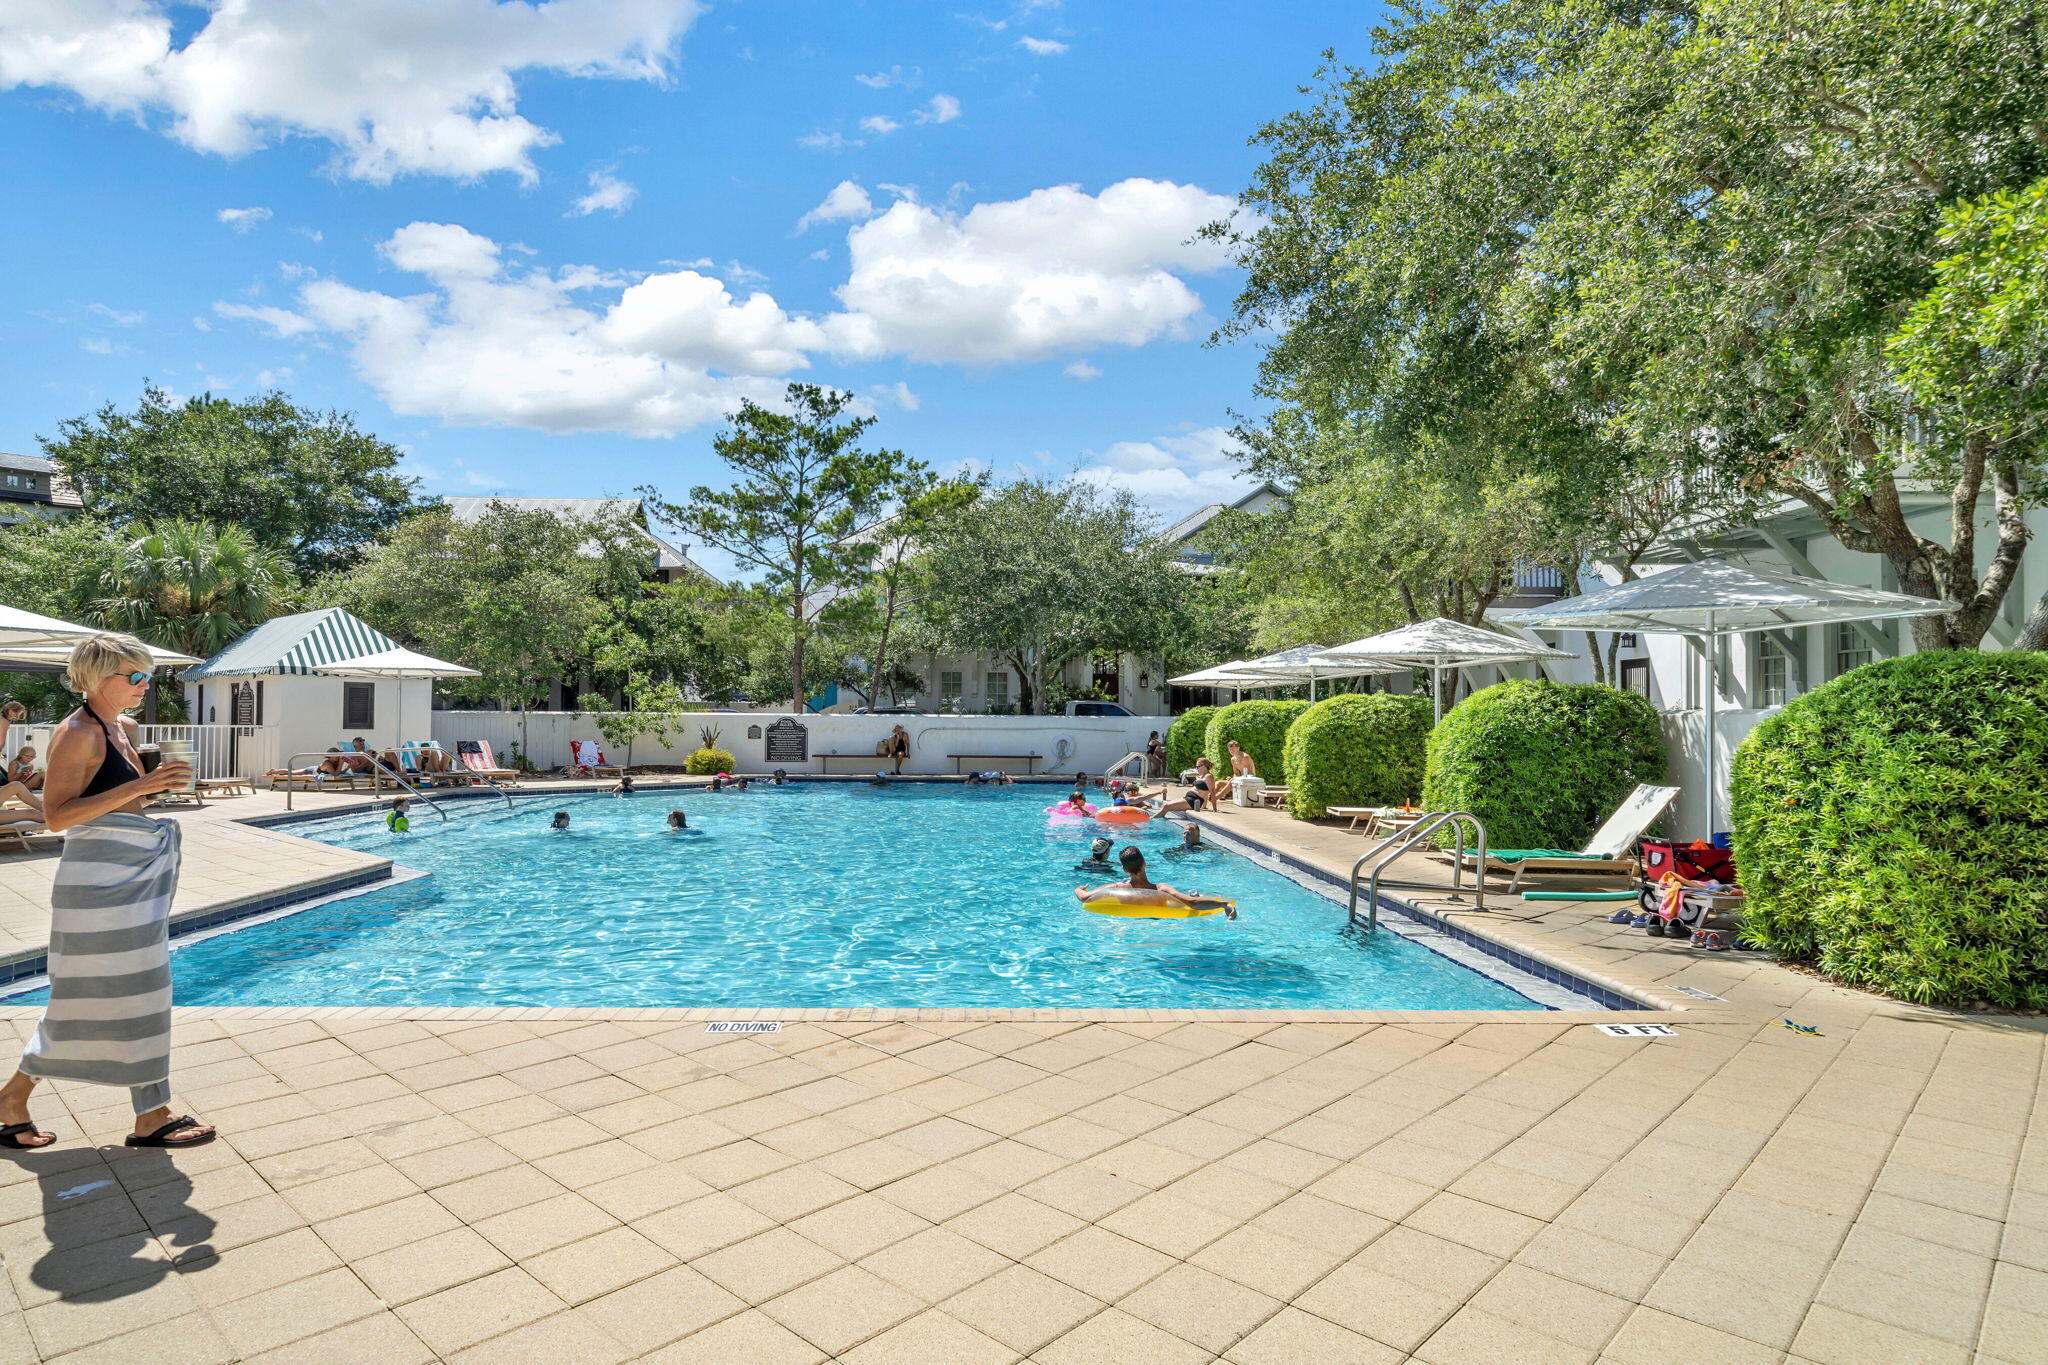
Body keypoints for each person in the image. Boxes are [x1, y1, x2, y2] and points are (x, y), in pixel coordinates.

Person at [0, 633, 212, 1151]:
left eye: (147, 675)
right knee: (88, 995)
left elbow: (115, 798)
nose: (144, 684)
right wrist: (141, 787)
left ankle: (149, 1112)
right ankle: (15, 1099)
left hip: (131, 875)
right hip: (96, 882)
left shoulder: (125, 727)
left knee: (141, 992)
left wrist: (156, 785)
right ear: (97, 678)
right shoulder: (76, 733)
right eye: (133, 676)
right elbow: (56, 817)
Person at [1074, 846, 1225, 915]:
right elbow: (1192, 903)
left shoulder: (1118, 887)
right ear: (1145, 864)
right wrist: (1224, 904)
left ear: (1125, 870)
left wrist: (1079, 889)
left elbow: (1084, 898)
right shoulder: (1161, 889)